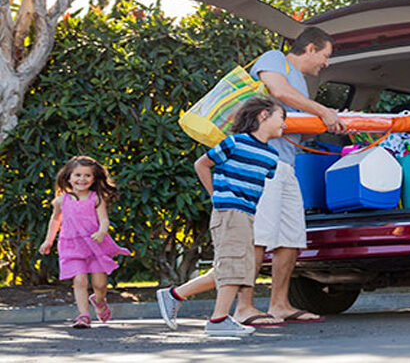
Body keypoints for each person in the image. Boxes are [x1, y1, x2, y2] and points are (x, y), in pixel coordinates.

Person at [238, 26, 345, 323]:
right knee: (259, 237)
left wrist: (326, 121)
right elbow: (279, 92)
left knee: (291, 236)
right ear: (309, 48)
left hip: (287, 165)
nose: (326, 63)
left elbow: (293, 122)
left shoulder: (302, 85)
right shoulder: (275, 59)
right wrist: (322, 111)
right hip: (262, 164)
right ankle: (244, 307)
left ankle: (280, 304)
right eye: (325, 55)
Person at [157, 97, 287, 336]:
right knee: (234, 264)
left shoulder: (271, 157)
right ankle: (217, 320)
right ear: (263, 116)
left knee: (234, 266)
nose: (285, 125)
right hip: (230, 211)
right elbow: (201, 164)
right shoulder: (235, 143)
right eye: (281, 118)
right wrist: (216, 195)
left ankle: (174, 295)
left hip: (247, 213)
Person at [39, 156, 131, 329]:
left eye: (87, 175)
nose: (82, 179)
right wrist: (48, 241)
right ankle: (83, 316)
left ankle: (99, 301)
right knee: (80, 280)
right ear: (68, 177)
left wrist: (102, 231)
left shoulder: (96, 198)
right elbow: (55, 221)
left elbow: (104, 220)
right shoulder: (61, 200)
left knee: (99, 284)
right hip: (71, 246)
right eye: (77, 175)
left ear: (94, 178)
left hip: (95, 244)